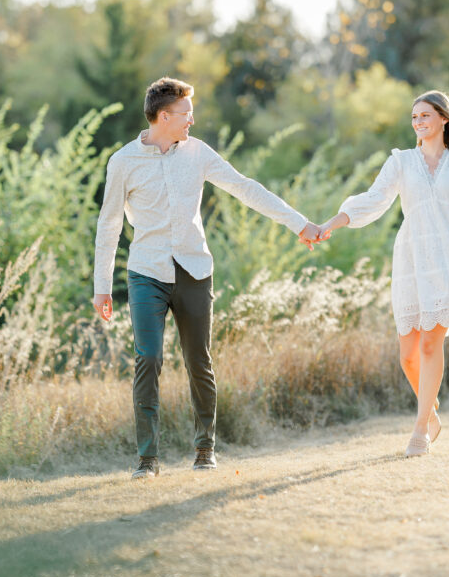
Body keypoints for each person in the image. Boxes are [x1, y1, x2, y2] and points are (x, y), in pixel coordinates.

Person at [93, 77, 323, 479]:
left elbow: (246, 189)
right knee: (148, 358)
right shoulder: (123, 161)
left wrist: (298, 223)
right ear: (164, 117)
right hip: (147, 272)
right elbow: (109, 224)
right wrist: (101, 286)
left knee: (198, 361)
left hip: (195, 271)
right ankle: (147, 459)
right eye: (186, 113)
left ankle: (205, 449)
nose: (192, 120)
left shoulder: (198, 153)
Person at [317, 90, 449, 457]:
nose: (418, 122)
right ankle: (430, 411)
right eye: (414, 117)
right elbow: (373, 200)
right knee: (407, 355)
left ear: (443, 119)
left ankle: (419, 430)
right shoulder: (401, 162)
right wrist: (332, 223)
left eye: (425, 116)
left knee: (432, 343)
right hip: (413, 258)